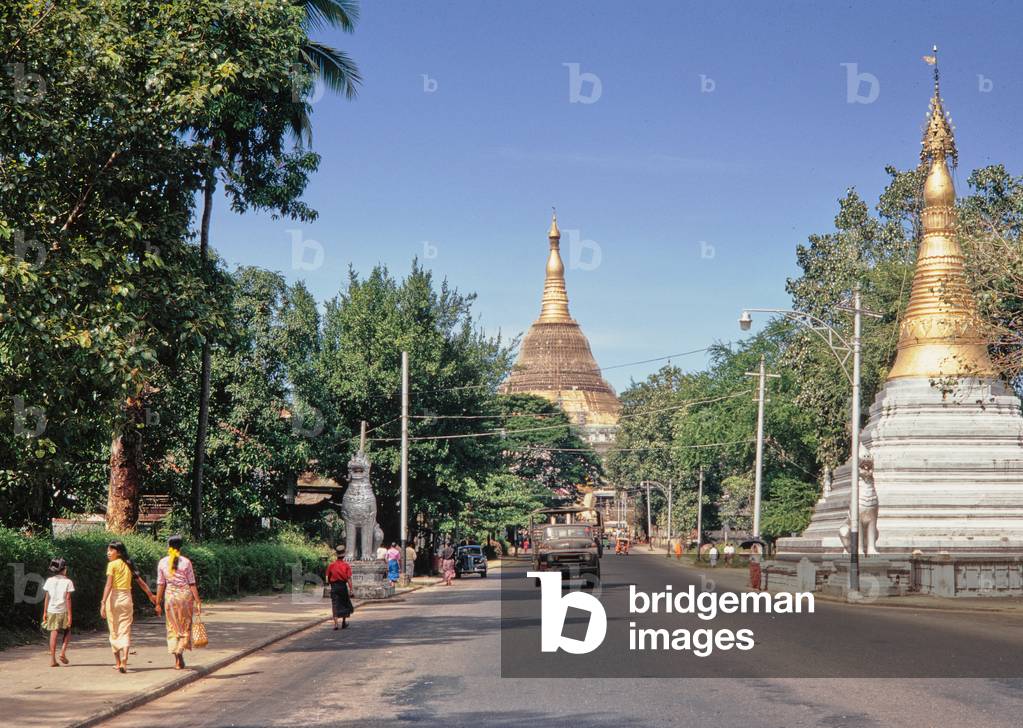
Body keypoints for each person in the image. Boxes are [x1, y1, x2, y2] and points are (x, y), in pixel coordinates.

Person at [100, 541, 156, 673]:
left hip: (113, 598)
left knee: (114, 629)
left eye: (111, 550)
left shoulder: (112, 565)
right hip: (126, 598)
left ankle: (118, 662)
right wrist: (150, 595)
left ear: (118, 552)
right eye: (108, 550)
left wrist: (103, 602)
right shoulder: (129, 564)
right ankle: (125, 659)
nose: (108, 552)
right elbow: (141, 582)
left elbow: (108, 585)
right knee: (125, 629)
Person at [154, 535, 201, 670]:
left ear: (168, 547)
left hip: (170, 597)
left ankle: (177, 659)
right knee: (185, 626)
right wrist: (197, 601)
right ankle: (180, 649)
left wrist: (157, 603)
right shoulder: (186, 562)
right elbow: (192, 583)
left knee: (172, 627)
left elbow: (160, 584)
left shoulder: (162, 562)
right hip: (185, 596)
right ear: (180, 547)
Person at [41, 557, 74, 667]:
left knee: (53, 632)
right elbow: (68, 599)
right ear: (64, 569)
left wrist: (44, 612)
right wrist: (70, 615)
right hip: (63, 610)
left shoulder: (49, 581)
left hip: (51, 610)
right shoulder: (68, 582)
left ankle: (52, 659)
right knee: (68, 630)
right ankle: (63, 653)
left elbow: (47, 598)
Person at [325, 545, 354, 630]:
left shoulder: (331, 565)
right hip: (342, 586)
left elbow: (327, 578)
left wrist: (330, 584)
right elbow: (349, 578)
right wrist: (351, 589)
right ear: (344, 555)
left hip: (334, 587)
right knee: (344, 603)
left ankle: (336, 624)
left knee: (335, 604)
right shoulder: (346, 566)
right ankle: (344, 622)